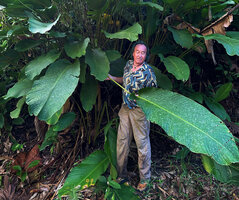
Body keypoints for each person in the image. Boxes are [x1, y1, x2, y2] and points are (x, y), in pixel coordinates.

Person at [107, 41, 157, 191]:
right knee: (122, 142)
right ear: (133, 53)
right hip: (125, 109)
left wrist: (141, 99)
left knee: (142, 144)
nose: (140, 55)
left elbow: (154, 94)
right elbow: (125, 79)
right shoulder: (128, 65)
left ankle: (145, 178)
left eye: (143, 52)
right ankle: (122, 175)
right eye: (137, 51)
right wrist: (111, 78)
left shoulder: (148, 72)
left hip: (139, 111)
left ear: (145, 55)